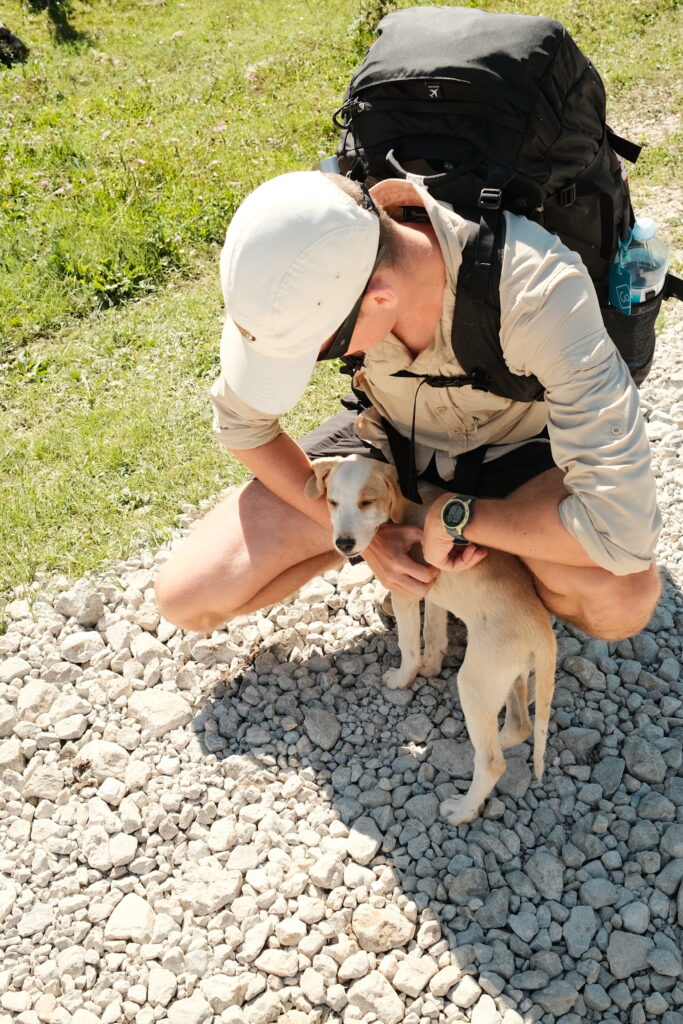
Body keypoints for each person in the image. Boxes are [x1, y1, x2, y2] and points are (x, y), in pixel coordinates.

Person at [155, 170, 662, 641]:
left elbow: (622, 532)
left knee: (620, 600)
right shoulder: (317, 246)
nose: (318, 361)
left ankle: (493, 568)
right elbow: (243, 425)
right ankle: (460, 554)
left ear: (378, 298)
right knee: (190, 599)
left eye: (323, 348)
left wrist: (455, 519)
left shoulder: (540, 291)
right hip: (387, 445)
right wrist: (366, 538)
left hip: (520, 454)